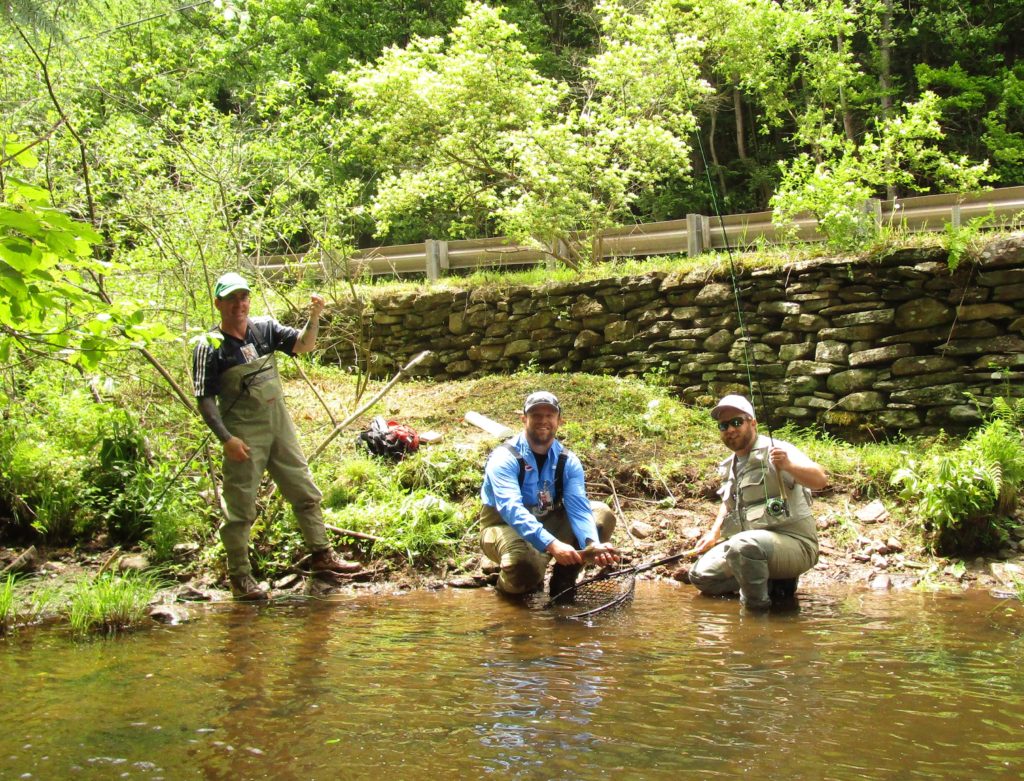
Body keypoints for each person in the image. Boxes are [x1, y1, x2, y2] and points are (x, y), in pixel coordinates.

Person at [192, 272, 359, 600]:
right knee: (239, 508)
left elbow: (304, 345)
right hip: (242, 436)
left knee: (304, 489)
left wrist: (314, 316)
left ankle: (322, 556)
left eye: (243, 297)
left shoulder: (264, 328)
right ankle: (240, 578)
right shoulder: (208, 346)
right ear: (218, 304)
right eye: (231, 299)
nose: (239, 305)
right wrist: (226, 439)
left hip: (280, 428)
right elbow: (205, 400)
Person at [686, 394, 827, 610]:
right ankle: (772, 583)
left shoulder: (777, 449)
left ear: (753, 423)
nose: (730, 430)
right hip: (753, 545)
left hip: (796, 545)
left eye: (736, 422)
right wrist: (714, 534)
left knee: (743, 547)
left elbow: (820, 480)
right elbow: (728, 502)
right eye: (724, 425)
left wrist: (788, 465)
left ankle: (756, 615)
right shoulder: (731, 464)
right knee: (700, 576)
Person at [479, 391, 619, 599]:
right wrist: (552, 545)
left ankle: (563, 580)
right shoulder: (504, 458)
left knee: (601, 514)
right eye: (536, 415)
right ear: (524, 419)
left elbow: (579, 507)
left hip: (547, 519)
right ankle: (509, 588)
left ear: (559, 421)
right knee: (523, 565)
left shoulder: (568, 460)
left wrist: (592, 545)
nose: (543, 421)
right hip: (503, 526)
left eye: (549, 415)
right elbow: (511, 509)